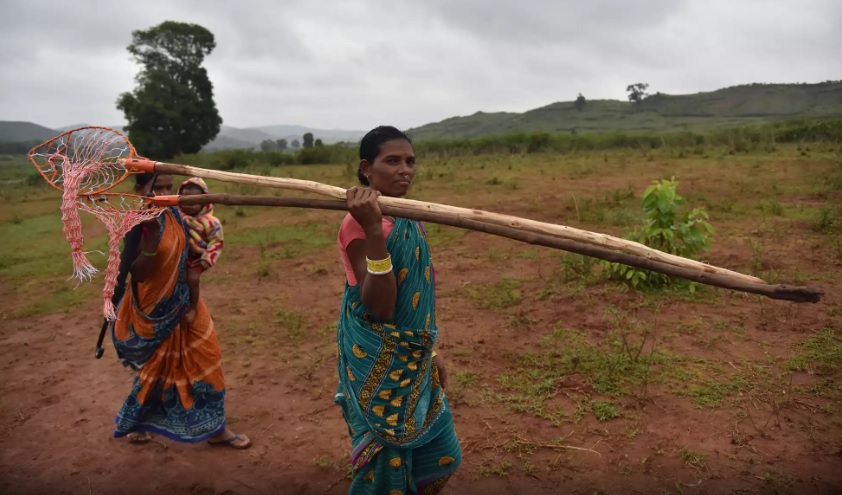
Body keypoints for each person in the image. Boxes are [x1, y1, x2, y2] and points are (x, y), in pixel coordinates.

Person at [334, 126, 462, 494]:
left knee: (442, 458)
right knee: (384, 466)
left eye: (410, 161)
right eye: (392, 161)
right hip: (379, 355)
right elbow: (381, 305)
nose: (405, 169)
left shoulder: (407, 215)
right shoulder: (358, 224)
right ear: (366, 168)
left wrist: (430, 352)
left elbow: (415, 297)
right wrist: (374, 231)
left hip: (413, 352)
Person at [110, 172, 250, 449]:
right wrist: (149, 245)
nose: (164, 192)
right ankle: (139, 423)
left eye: (167, 187)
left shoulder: (178, 215)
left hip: (185, 300)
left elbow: (200, 242)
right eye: (156, 187)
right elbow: (136, 274)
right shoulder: (137, 224)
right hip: (153, 310)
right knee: (156, 370)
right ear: (140, 190)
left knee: (207, 355)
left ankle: (215, 428)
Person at [176, 177, 224, 324]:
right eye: (186, 200)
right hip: (178, 256)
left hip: (197, 257)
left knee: (192, 279)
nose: (189, 205)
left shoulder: (211, 222)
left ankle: (193, 308)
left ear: (204, 201)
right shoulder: (176, 217)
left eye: (194, 201)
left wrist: (207, 259)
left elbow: (217, 242)